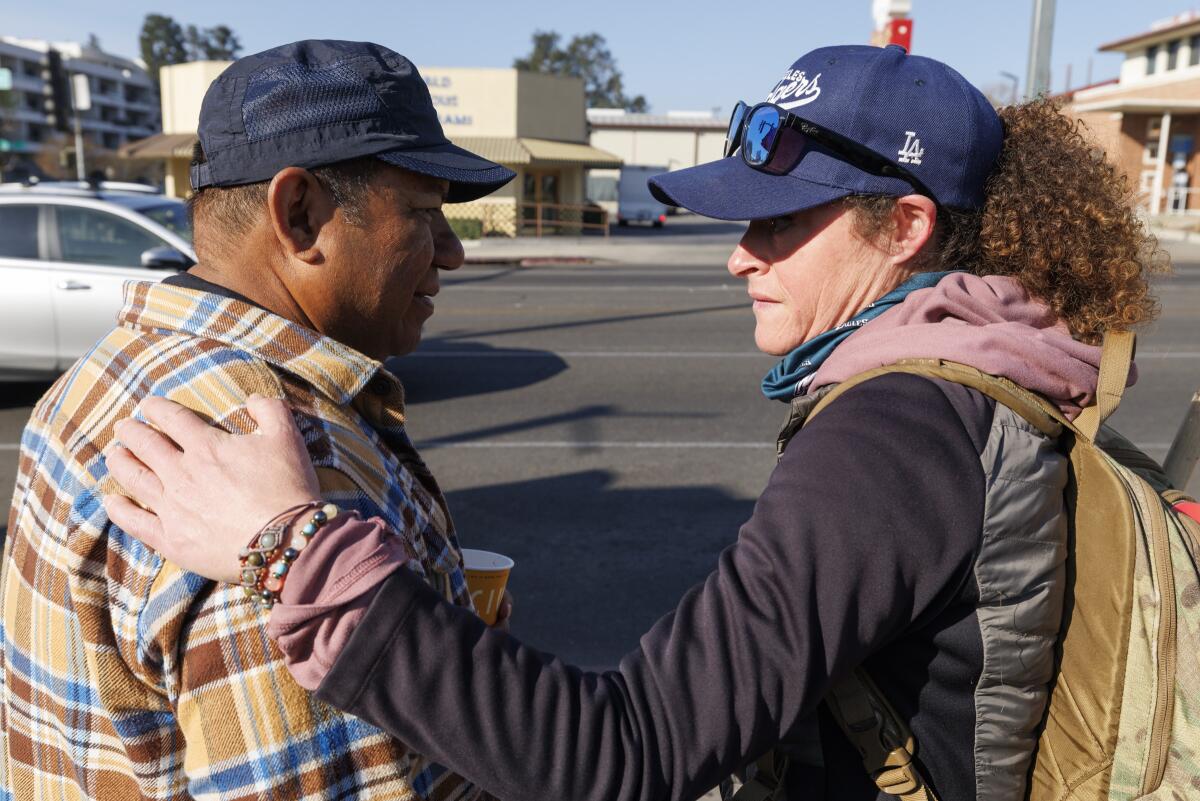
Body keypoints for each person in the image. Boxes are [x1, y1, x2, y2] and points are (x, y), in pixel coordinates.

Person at [101, 45, 1164, 801]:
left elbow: (627, 756)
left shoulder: (899, 430)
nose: (742, 255)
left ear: (909, 228)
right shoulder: (992, 371)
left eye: (782, 222)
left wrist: (296, 555)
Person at [0, 40, 516, 799]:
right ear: (298, 213)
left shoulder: (98, 378)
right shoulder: (277, 473)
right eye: (423, 212)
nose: (454, 251)